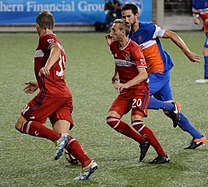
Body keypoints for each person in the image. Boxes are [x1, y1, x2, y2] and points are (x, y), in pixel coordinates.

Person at [15, 10, 97, 180]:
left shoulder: (46, 38)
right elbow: (60, 73)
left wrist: (46, 67)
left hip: (51, 94)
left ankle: (58, 140)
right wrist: (38, 82)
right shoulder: (57, 43)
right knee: (63, 136)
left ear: (38, 26)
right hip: (63, 93)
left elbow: (56, 49)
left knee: (22, 124)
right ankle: (87, 163)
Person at [121, 3, 207, 149]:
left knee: (139, 97)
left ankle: (171, 106)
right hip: (152, 75)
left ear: (136, 15)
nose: (126, 20)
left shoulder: (148, 28)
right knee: (170, 113)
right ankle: (198, 136)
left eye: (129, 16)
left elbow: (172, 34)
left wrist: (187, 53)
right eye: (123, 17)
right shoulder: (130, 36)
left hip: (159, 72)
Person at [105, 19, 170, 164]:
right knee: (111, 120)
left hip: (140, 89)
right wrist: (116, 74)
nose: (111, 33)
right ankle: (142, 141)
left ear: (123, 32)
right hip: (126, 91)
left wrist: (126, 84)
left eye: (114, 30)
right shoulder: (114, 46)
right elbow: (118, 59)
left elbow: (143, 74)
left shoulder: (134, 48)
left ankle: (163, 155)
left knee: (137, 123)